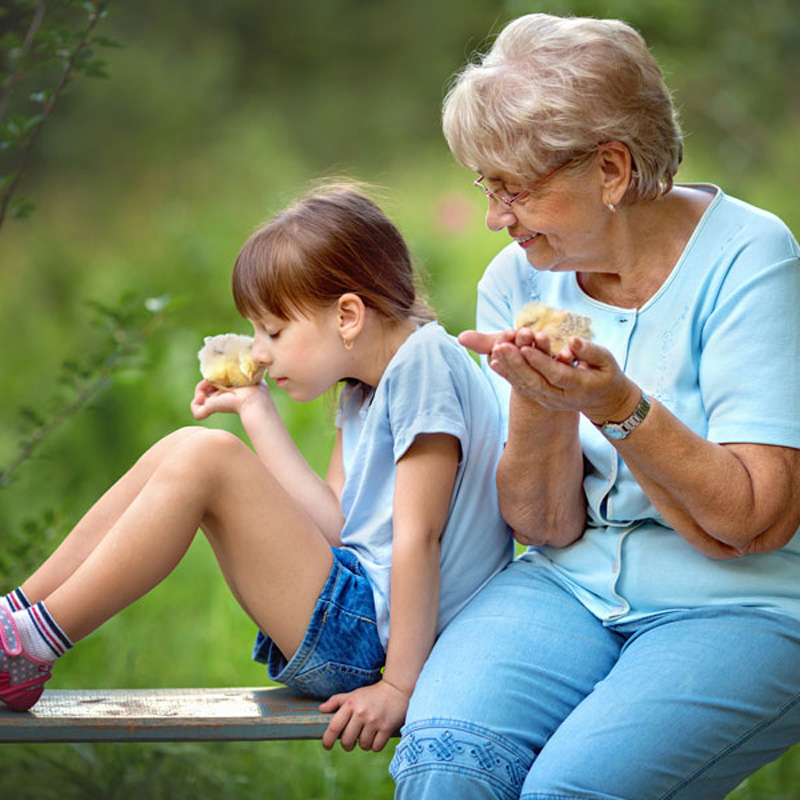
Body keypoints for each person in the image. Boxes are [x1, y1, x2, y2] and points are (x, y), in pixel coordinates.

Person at [390, 13, 800, 799]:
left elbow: (756, 522)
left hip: (745, 603)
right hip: (567, 584)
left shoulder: (752, 258)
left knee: (568, 792)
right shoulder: (518, 278)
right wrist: (543, 402)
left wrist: (615, 402)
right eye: (487, 186)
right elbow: (544, 527)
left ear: (611, 169)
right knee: (448, 764)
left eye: (516, 188)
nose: (495, 217)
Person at [0, 184, 513, 752]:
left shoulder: (426, 364)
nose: (260, 350)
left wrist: (399, 686)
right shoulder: (362, 391)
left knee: (205, 455)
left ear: (347, 315)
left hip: (384, 644)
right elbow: (338, 525)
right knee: (187, 447)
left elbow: (421, 535)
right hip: (361, 619)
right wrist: (255, 408)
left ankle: (29, 644)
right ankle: (16, 620)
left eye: (273, 330)